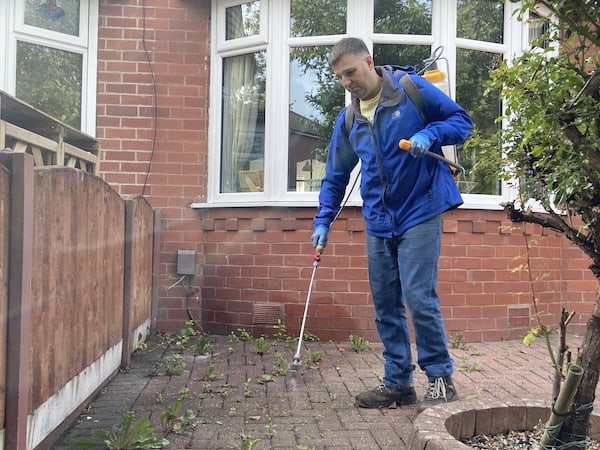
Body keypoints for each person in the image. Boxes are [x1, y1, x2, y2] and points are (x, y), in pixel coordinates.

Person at [311, 37, 472, 410]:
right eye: (339, 77)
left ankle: (440, 378)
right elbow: (335, 176)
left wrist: (429, 133)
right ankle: (398, 382)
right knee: (385, 304)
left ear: (368, 61)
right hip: (379, 220)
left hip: (420, 209)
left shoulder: (411, 90)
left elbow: (461, 121)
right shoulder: (349, 119)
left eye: (350, 72)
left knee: (418, 297)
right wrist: (323, 220)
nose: (346, 82)